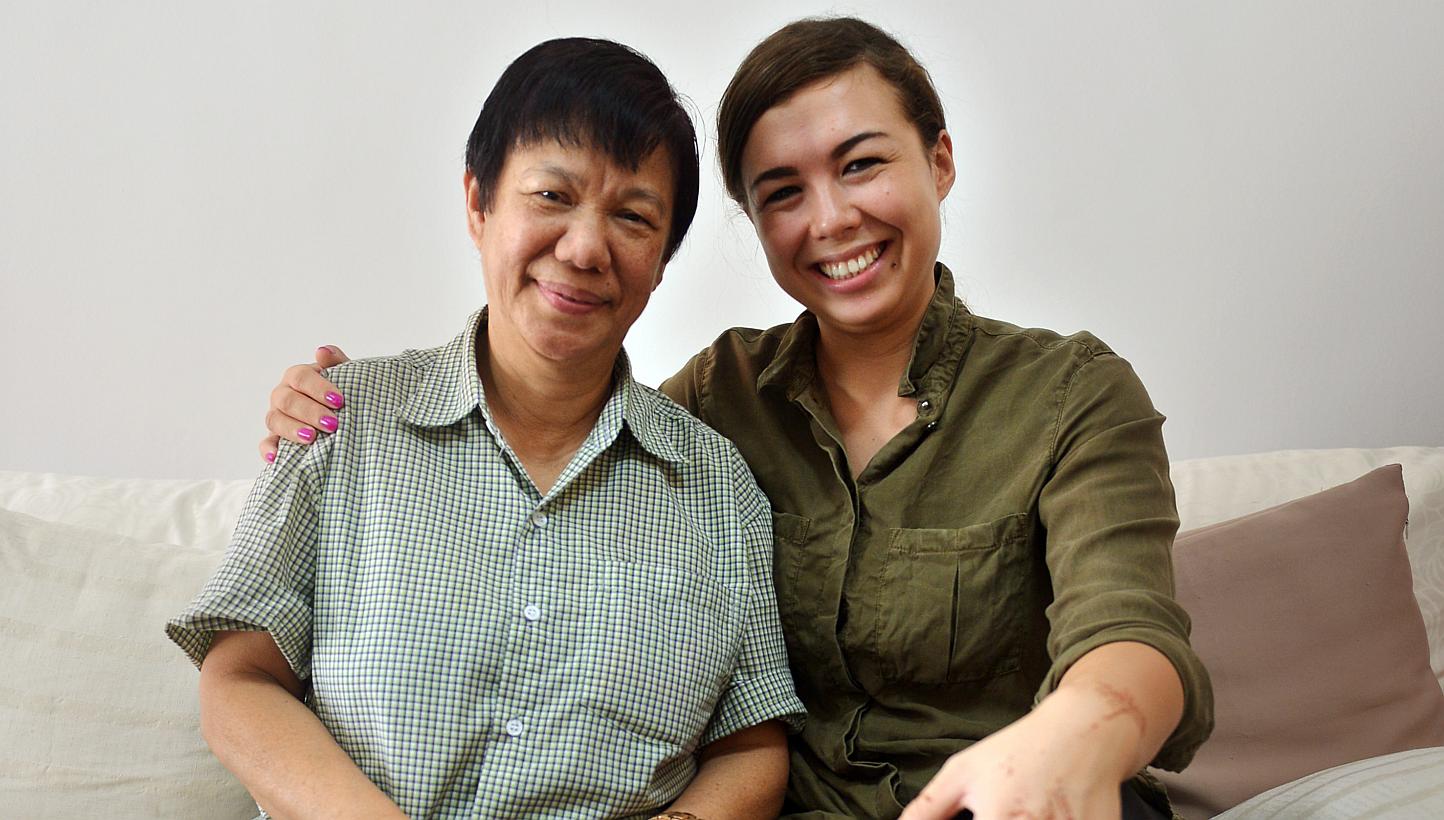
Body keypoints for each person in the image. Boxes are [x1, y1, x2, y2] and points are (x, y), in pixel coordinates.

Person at [258, 18, 1213, 820]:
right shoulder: (718, 401)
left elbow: (1129, 630)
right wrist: (334, 410)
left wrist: (1075, 732)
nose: (830, 219)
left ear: (941, 161)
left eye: (862, 164)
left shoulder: (1068, 393)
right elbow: (560, 434)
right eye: (782, 193)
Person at [168, 37, 805, 820]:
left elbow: (750, 746)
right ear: (479, 202)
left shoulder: (716, 484)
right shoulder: (342, 419)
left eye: (633, 217)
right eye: (551, 196)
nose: (582, 248)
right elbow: (238, 679)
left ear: (662, 260)